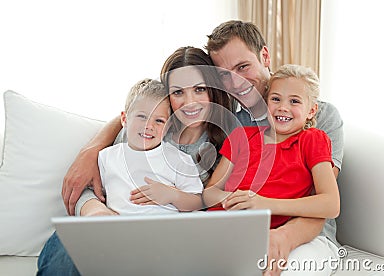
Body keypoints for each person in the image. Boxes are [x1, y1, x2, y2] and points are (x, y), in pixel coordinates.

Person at [37, 46, 235, 275]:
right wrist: (95, 211)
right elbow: (97, 182)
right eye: (178, 92)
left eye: (199, 89)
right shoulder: (142, 131)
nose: (190, 102)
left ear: (213, 90)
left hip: (161, 236)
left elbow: (198, 208)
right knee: (62, 260)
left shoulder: (221, 147)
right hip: (108, 224)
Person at [205, 20, 344, 275]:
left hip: (306, 234)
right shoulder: (235, 125)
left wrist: (284, 236)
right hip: (240, 229)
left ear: (265, 56)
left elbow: (317, 199)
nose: (235, 82)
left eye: (243, 66)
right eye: (225, 75)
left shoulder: (319, 120)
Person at [99, 78, 203, 215]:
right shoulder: (107, 157)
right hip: (121, 229)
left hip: (166, 227)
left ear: (167, 128)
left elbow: (197, 203)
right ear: (124, 119)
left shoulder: (179, 159)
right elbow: (98, 194)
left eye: (159, 121)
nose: (149, 126)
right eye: (142, 117)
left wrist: (172, 195)